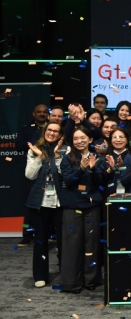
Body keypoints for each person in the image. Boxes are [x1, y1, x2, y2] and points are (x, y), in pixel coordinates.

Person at [59, 126, 106, 293]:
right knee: (72, 246)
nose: (79, 141)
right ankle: (72, 283)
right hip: (72, 207)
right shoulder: (67, 159)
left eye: (83, 138)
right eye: (76, 139)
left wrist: (92, 169)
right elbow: (68, 181)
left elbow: (100, 182)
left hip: (92, 207)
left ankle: (91, 280)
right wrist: (81, 169)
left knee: (91, 244)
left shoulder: (98, 158)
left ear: (90, 140)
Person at [24, 122, 65, 288]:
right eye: (49, 130)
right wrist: (39, 157)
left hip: (60, 203)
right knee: (40, 240)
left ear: (60, 134)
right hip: (40, 203)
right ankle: (40, 276)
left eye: (56, 131)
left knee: (64, 242)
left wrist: (56, 156)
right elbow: (30, 175)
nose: (52, 133)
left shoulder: (65, 150)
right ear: (44, 131)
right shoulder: (34, 150)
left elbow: (64, 174)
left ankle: (65, 274)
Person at [16, 103, 50, 246]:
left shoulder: (53, 128)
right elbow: (19, 145)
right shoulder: (26, 128)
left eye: (44, 112)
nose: (42, 114)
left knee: (50, 204)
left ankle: (51, 234)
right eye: (39, 112)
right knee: (31, 204)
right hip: (33, 169)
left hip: (49, 170)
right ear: (34, 114)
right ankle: (27, 235)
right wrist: (35, 145)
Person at [104, 127, 131, 194]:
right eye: (115, 137)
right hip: (109, 194)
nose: (118, 140)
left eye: (121, 137)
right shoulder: (105, 158)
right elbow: (101, 179)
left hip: (130, 194)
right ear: (110, 140)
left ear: (127, 139)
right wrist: (111, 168)